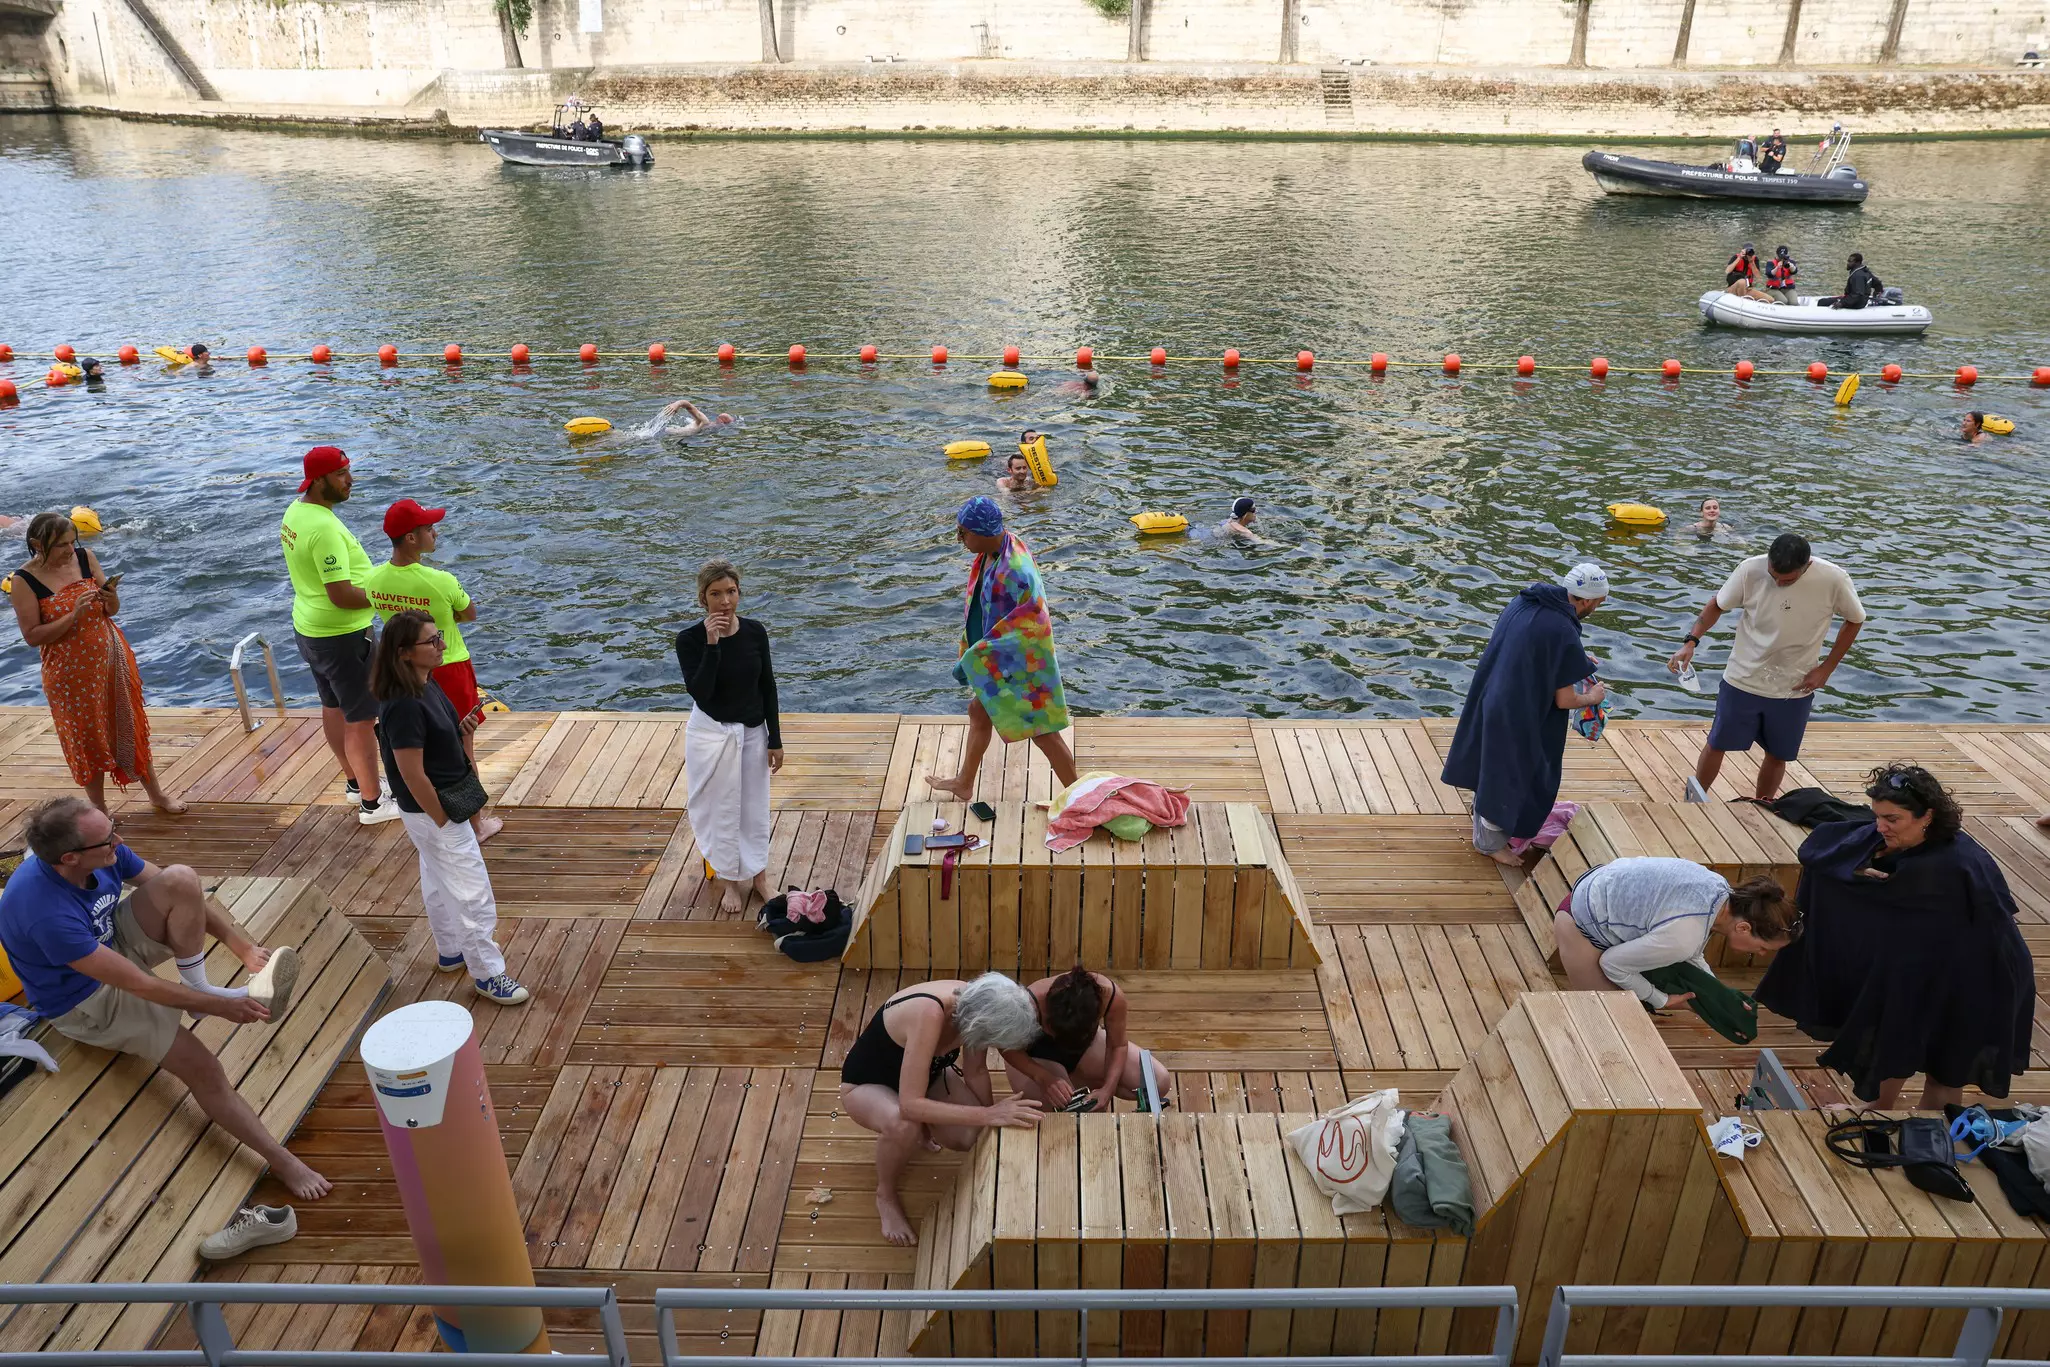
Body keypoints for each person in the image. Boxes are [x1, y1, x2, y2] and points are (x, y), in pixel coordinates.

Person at [0, 796, 328, 1198]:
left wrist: (238, 945)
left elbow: (184, 894)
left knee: (181, 877)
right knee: (204, 1068)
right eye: (108, 838)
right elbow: (138, 985)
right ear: (70, 858)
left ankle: (197, 984)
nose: (118, 840)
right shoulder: (43, 912)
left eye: (113, 826)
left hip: (109, 943)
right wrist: (222, 1007)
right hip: (83, 998)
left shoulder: (101, 852)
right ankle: (282, 1161)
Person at [1756, 765, 2034, 1109]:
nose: (1880, 827)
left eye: (1892, 819)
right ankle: (1877, 1109)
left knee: (1944, 1068)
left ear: (1927, 816)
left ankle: (1928, 1138)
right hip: (1925, 960)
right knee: (1894, 1029)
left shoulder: (1951, 864)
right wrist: (1853, 867)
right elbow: (1819, 850)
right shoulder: (1903, 838)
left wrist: (1858, 879)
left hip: (1980, 974)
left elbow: (1898, 895)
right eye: (1877, 816)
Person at [370, 610, 528, 1005]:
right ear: (405, 653)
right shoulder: (405, 704)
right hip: (434, 810)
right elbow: (409, 771)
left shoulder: (426, 682)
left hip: (430, 810)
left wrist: (461, 733)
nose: (442, 645)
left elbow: (429, 746)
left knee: (437, 878)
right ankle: (488, 974)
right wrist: (442, 820)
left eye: (438, 637)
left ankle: (451, 949)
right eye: (432, 641)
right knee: (472, 892)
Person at [838, 974, 1045, 1245]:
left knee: (967, 1137)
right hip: (866, 1084)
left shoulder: (981, 1003)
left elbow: (976, 1072)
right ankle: (885, 1194)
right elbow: (910, 1106)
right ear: (980, 1025)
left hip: (926, 1076)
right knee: (904, 1125)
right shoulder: (930, 1013)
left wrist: (989, 1126)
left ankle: (927, 1126)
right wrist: (989, 1114)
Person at [1667, 533, 1865, 803]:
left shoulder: (1834, 578)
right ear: (1768, 560)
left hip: (1794, 684)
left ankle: (1764, 803)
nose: (1779, 583)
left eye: (1788, 580)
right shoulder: (1750, 569)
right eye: (1774, 576)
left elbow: (1855, 620)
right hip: (1742, 678)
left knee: (1778, 753)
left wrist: (1827, 669)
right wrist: (1690, 642)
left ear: (1807, 566)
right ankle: (1693, 799)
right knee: (1717, 743)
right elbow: (1717, 604)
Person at [10, 512, 186, 814]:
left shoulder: (85, 557)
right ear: (37, 544)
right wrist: (72, 616)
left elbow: (112, 610)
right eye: (60, 545)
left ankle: (156, 795)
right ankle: (100, 810)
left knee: (129, 727)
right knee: (86, 740)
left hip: (111, 661)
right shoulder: (23, 581)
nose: (69, 550)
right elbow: (32, 636)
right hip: (68, 673)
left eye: (71, 542)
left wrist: (111, 597)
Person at [1440, 564, 1609, 867]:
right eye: (1598, 602)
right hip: (1520, 713)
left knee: (1491, 766)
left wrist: (1576, 659)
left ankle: (1484, 820)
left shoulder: (1526, 601)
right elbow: (1565, 699)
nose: (1596, 608)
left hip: (1492, 693)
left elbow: (1532, 646)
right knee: (1511, 777)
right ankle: (1489, 844)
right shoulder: (1562, 629)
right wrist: (1593, 697)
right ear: (1586, 600)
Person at [364, 499, 499, 842]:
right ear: (411, 538)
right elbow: (470, 614)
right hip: (448, 665)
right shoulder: (440, 580)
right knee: (462, 745)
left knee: (420, 749)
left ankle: (433, 810)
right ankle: (477, 821)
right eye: (428, 528)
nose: (434, 532)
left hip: (405, 670)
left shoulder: (374, 580)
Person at [927, 497, 1079, 801]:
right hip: (1002, 656)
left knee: (1043, 731)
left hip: (1021, 660)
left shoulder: (1014, 571)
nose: (960, 539)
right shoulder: (998, 548)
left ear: (983, 532)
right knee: (978, 712)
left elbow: (1030, 622)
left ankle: (1080, 798)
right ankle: (965, 783)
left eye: (963, 533)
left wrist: (976, 657)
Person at [280, 446, 396, 825]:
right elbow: (341, 594)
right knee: (362, 718)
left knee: (333, 706)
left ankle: (353, 782)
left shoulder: (297, 512)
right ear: (319, 480)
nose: (351, 480)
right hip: (343, 636)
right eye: (342, 474)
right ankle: (373, 803)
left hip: (310, 629)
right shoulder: (325, 528)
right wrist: (388, 597)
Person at [675, 559, 783, 915]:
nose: (725, 601)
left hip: (752, 730)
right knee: (721, 808)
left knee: (753, 808)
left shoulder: (755, 632)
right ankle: (728, 880)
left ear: (739, 592)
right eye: (716, 594)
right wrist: (712, 644)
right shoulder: (689, 640)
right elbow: (702, 692)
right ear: (703, 599)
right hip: (712, 732)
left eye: (731, 592)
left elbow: (767, 686)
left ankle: (760, 878)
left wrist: (775, 739)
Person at [1553, 857, 1797, 1008]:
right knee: (1609, 1018)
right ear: (1743, 927)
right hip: (1578, 925)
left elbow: (1690, 951)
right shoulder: (1685, 936)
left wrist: (1721, 994)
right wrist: (1661, 999)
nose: (1763, 954)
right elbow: (1613, 965)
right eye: (1764, 947)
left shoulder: (1720, 890)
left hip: (1598, 891)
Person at [998, 965, 1170, 1111]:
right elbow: (1005, 1047)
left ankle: (1080, 1078)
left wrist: (1107, 1090)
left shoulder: (1110, 996)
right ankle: (1072, 1081)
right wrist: (1043, 1078)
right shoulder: (1027, 1003)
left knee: (1157, 1082)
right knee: (1069, 1115)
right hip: (1036, 1055)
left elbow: (1117, 1046)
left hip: (1085, 1049)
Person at [654, 399, 734, 438]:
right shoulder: (704, 421)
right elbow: (688, 405)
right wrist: (677, 404)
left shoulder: (706, 429)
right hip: (662, 433)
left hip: (669, 435)